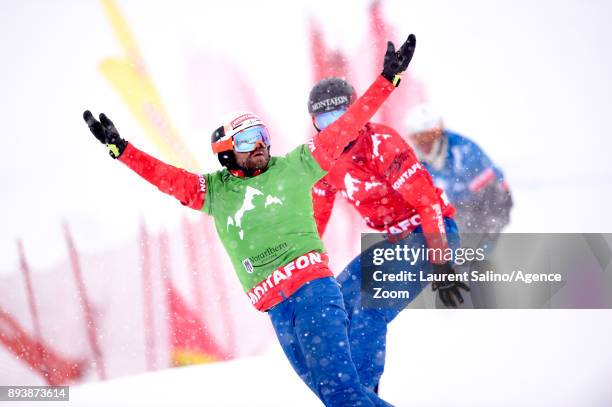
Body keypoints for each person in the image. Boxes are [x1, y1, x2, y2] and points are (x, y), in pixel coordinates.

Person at [82, 35, 417, 407]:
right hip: (276, 307)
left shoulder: (296, 166)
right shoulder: (215, 192)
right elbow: (168, 178)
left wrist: (386, 81)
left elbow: (344, 128)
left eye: (260, 136)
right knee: (340, 397)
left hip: (313, 295)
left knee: (340, 396)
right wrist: (124, 151)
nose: (258, 145)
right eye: (245, 141)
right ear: (226, 152)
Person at [308, 78, 470, 393]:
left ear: (356, 111)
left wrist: (440, 261)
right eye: (324, 120)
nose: (335, 127)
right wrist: (303, 267)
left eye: (341, 115)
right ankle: (347, 388)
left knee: (370, 307)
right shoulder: (323, 158)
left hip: (430, 232)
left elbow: (426, 202)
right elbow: (316, 217)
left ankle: (362, 394)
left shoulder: (381, 143)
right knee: (334, 302)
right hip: (396, 241)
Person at [405, 104, 513, 235]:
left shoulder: (465, 152)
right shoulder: (414, 161)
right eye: (417, 138)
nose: (424, 143)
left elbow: (492, 193)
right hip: (455, 208)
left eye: (429, 136)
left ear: (440, 132)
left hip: (491, 203)